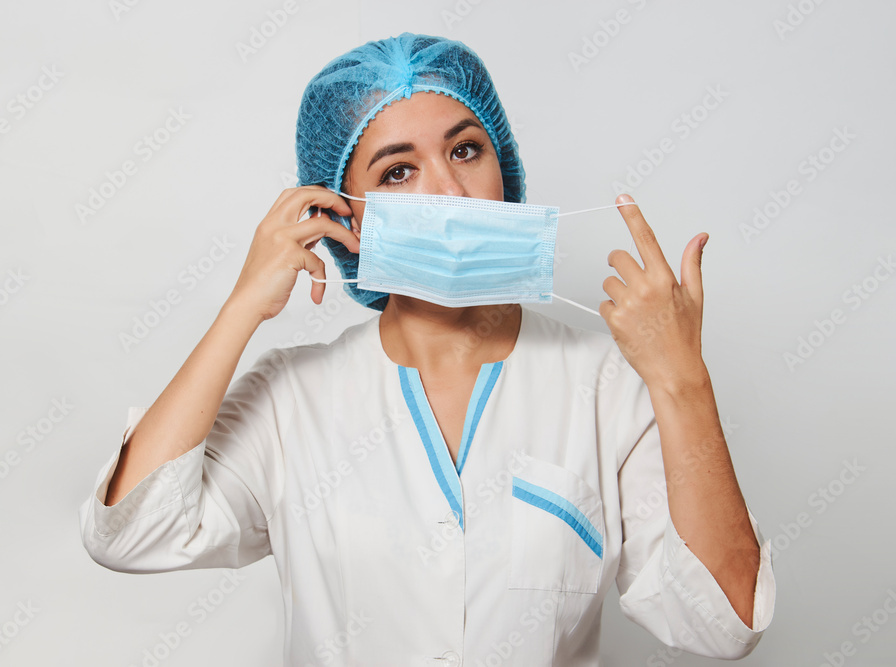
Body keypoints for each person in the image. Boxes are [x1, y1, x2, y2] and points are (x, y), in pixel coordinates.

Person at [79, 32, 775, 666]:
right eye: (397, 172)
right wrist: (240, 310)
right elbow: (131, 533)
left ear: (506, 167)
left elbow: (721, 624)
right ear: (341, 216)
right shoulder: (292, 399)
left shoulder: (608, 391)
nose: (447, 190)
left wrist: (683, 379)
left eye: (466, 150)